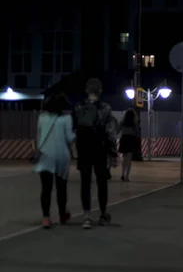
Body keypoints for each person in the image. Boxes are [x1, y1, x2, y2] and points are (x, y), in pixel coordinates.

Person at [72, 78, 118, 229]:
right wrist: (113, 153)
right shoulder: (105, 108)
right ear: (100, 91)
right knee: (101, 182)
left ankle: (86, 217)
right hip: (100, 149)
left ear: (86, 90)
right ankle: (103, 214)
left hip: (84, 149)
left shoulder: (78, 107)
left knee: (85, 183)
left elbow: (73, 130)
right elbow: (111, 132)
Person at [34, 94, 76, 229]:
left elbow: (39, 137)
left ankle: (46, 218)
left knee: (46, 189)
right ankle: (62, 215)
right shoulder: (66, 119)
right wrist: (77, 133)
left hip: (46, 155)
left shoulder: (42, 118)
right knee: (61, 188)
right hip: (61, 157)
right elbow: (69, 138)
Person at [119, 108, 139, 181]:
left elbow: (118, 129)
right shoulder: (134, 122)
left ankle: (122, 174)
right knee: (129, 159)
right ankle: (127, 176)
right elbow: (137, 132)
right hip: (131, 139)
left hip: (124, 138)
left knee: (124, 158)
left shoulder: (122, 122)